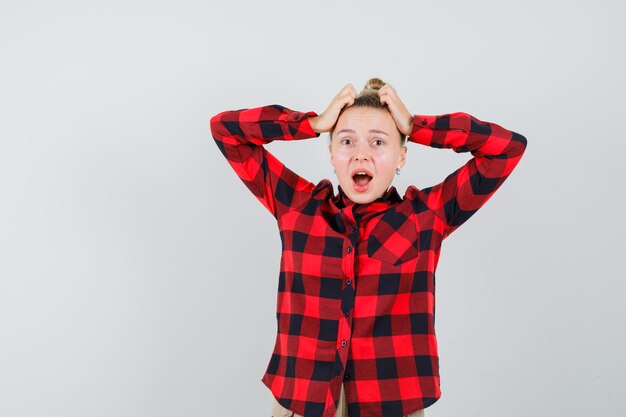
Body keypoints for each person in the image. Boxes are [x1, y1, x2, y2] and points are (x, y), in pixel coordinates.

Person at [209, 78, 527, 417]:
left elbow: (507, 148)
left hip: (390, 402)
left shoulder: (425, 217)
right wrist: (312, 123)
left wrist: (417, 127)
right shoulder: (298, 208)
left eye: (378, 142)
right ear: (331, 154)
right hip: (304, 401)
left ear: (401, 156)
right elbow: (226, 131)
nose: (361, 153)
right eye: (346, 141)